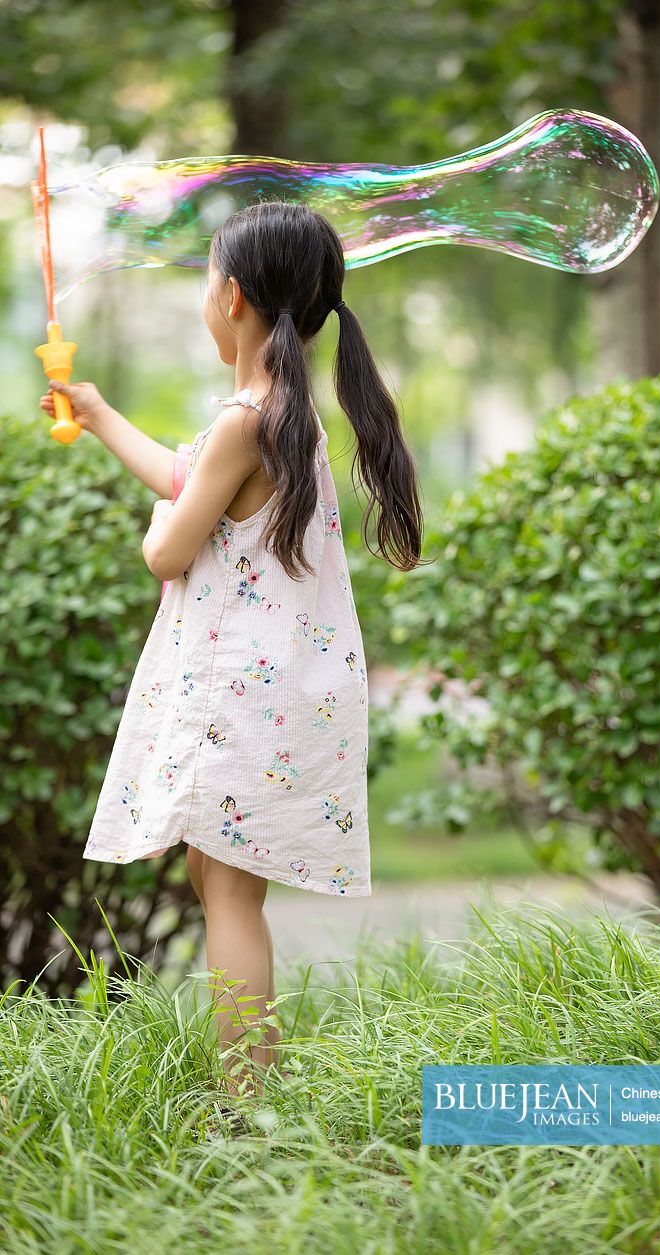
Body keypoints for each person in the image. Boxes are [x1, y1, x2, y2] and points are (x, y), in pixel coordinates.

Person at [40, 200, 425, 1099]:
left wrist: (153, 532)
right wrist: (97, 415)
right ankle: (247, 1091)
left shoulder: (246, 419)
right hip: (275, 688)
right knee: (222, 877)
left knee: (225, 894)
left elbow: (170, 547)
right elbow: (193, 478)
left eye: (207, 280)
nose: (204, 297)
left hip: (237, 695)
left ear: (235, 298)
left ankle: (246, 1102)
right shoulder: (276, 411)